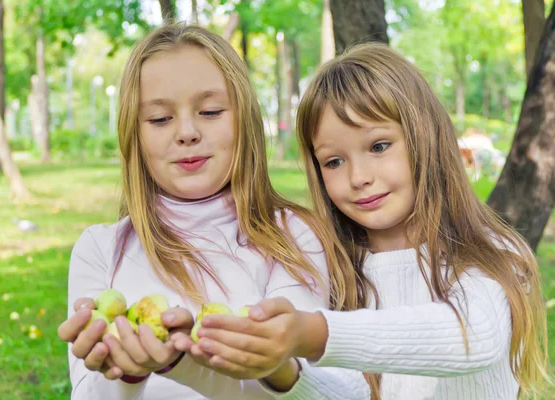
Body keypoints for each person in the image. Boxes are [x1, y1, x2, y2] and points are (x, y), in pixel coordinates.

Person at [191, 43, 549, 399]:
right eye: (334, 162)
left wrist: (312, 333)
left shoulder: (492, 252)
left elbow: (475, 337)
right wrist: (280, 368)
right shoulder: (337, 272)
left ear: (426, 137)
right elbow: (345, 393)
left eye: (378, 146)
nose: (358, 177)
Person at [56, 24, 362, 400]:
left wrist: (260, 365)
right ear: (133, 135)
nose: (186, 132)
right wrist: (126, 375)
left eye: (210, 111)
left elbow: (320, 390)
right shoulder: (101, 249)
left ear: (244, 121)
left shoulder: (292, 236)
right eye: (159, 119)